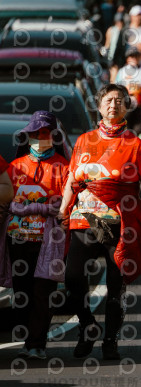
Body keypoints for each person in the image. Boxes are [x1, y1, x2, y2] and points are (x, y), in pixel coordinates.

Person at [58, 84, 141, 360]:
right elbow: (72, 180)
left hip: (120, 224)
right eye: (108, 100)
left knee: (116, 287)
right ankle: (87, 326)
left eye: (119, 101)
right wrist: (62, 211)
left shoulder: (136, 144)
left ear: (126, 107)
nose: (113, 105)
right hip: (83, 220)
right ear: (99, 106)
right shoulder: (84, 140)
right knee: (72, 277)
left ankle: (110, 341)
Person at [0, 111, 69, 360]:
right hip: (18, 239)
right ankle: (29, 337)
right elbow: (6, 200)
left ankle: (36, 343)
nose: (39, 138)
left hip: (50, 241)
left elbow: (68, 204)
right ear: (28, 137)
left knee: (44, 291)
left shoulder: (65, 168)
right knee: (23, 293)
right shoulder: (15, 167)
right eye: (35, 134)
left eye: (44, 133)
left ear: (53, 136)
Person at [115, 49, 141, 134]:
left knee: (138, 129)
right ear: (127, 58)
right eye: (132, 56)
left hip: (140, 104)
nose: (134, 58)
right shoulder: (122, 72)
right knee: (124, 127)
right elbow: (117, 87)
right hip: (126, 105)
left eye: (136, 56)